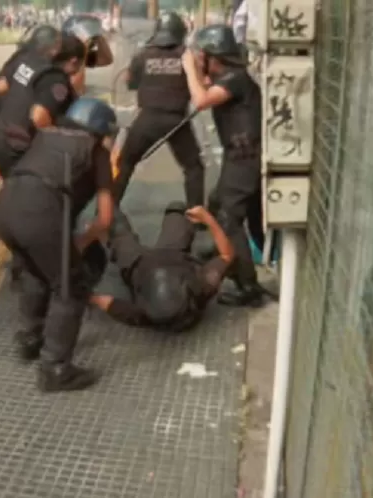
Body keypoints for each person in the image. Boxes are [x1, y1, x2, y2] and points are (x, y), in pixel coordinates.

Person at [0, 97, 117, 392]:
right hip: (39, 213)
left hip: (4, 207)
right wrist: (82, 240)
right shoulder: (95, 151)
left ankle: (29, 337)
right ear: (101, 131)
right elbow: (106, 218)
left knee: (36, 270)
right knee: (70, 285)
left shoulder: (46, 136)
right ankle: (55, 368)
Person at [181, 25, 267, 306]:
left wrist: (189, 68)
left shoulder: (235, 78)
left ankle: (248, 286)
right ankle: (228, 253)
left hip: (245, 159)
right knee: (223, 204)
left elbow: (202, 100)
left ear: (212, 56)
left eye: (202, 56)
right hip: (242, 157)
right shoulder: (229, 77)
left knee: (229, 218)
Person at [90, 203, 234, 331]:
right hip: (174, 254)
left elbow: (107, 302)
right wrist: (208, 219)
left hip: (137, 263)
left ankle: (105, 205)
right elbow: (227, 255)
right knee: (177, 209)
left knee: (116, 226)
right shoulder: (202, 288)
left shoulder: (144, 314)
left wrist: (83, 295)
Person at [113, 11, 205, 208]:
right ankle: (196, 216)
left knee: (125, 163)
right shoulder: (186, 56)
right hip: (177, 121)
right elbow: (197, 85)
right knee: (193, 168)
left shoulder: (142, 55)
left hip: (147, 119)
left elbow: (131, 84)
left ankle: (106, 212)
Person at [0, 33, 86, 178]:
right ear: (74, 61)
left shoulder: (28, 60)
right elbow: (38, 116)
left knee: (13, 190)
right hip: (17, 147)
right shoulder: (56, 79)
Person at [0, 25, 62, 127]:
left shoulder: (21, 58)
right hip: (20, 136)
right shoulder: (51, 74)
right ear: (54, 48)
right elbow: (38, 117)